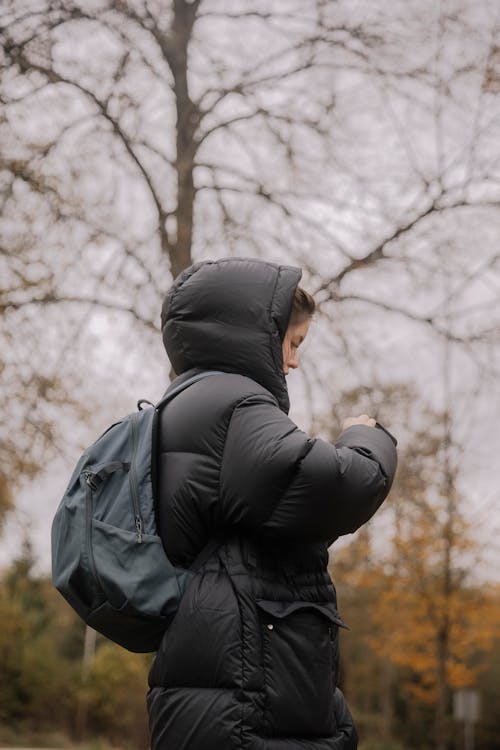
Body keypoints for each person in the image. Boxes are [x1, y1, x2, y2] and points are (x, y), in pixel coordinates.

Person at [147, 257, 398, 750]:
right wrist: (366, 437)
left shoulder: (185, 403)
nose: (294, 361)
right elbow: (341, 489)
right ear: (254, 335)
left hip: (227, 669)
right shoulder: (235, 407)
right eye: (293, 343)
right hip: (250, 684)